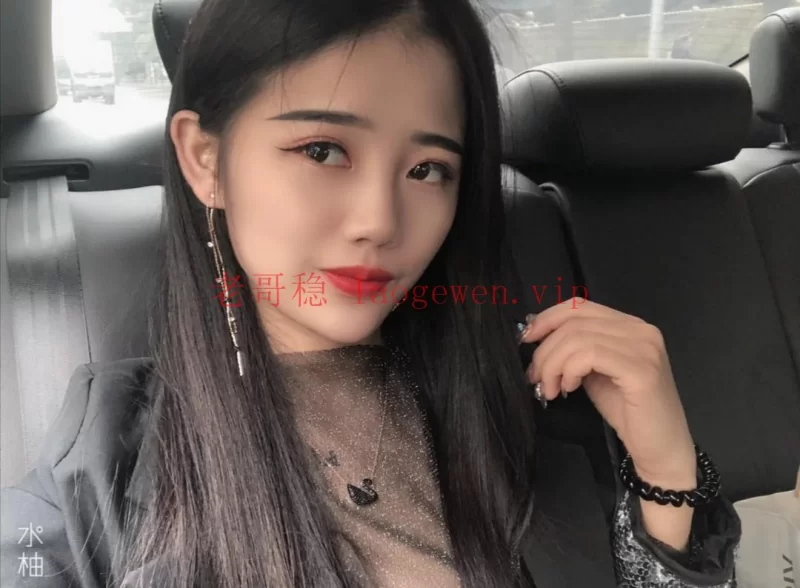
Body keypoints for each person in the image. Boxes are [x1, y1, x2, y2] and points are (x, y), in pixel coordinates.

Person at [0, 0, 741, 586]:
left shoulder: (534, 398)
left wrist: (667, 473)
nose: (380, 222)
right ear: (206, 160)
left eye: (427, 170)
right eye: (323, 150)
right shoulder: (103, 457)